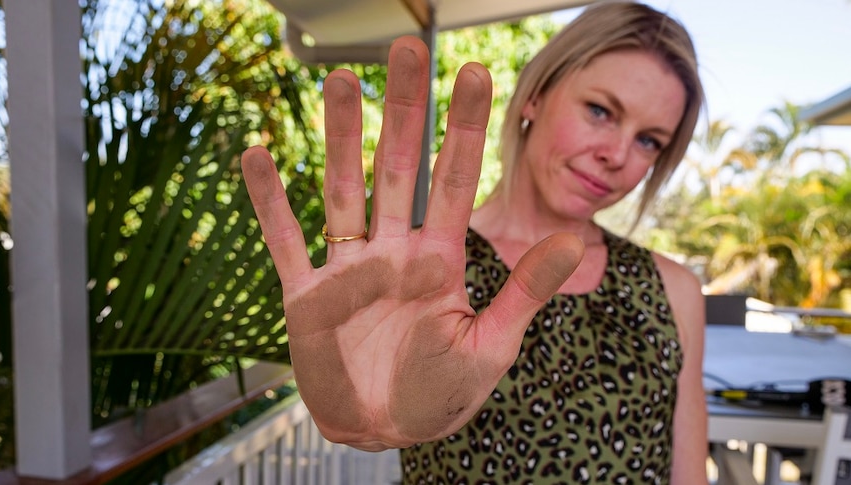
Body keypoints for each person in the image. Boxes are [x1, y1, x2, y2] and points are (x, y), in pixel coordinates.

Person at [241, 1, 708, 483]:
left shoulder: (673, 291)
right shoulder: (419, 277)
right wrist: (364, 414)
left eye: (649, 140)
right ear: (536, 95)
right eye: (599, 111)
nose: (617, 155)